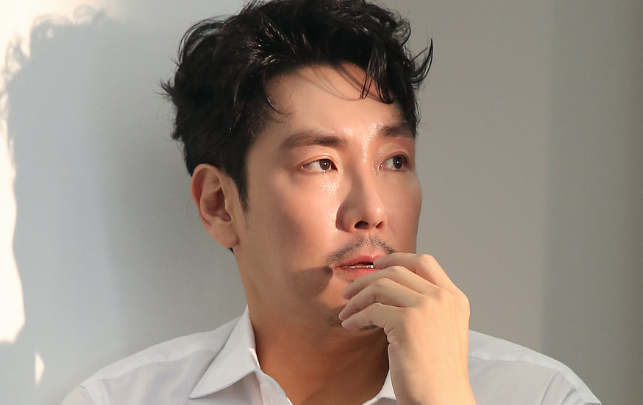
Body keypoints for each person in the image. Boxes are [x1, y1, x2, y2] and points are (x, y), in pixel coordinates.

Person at [62, 0, 601, 404]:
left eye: (395, 161)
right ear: (220, 205)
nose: (372, 211)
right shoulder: (119, 399)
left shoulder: (542, 394)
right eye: (321, 163)